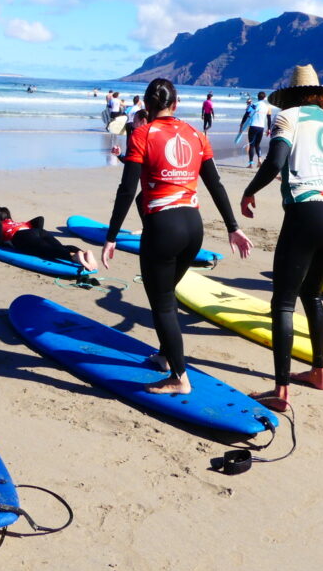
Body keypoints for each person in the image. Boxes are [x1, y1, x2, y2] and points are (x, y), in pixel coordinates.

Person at [103, 78, 252, 395]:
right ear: (177, 102)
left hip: (163, 229)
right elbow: (215, 184)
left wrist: (112, 236)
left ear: (146, 104)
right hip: (193, 228)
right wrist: (232, 226)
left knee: (163, 304)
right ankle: (163, 355)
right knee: (166, 294)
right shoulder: (197, 134)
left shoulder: (142, 134)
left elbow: (128, 189)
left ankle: (179, 377)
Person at [240, 64, 323, 412]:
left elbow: (274, 162)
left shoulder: (288, 117)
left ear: (291, 94)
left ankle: (280, 389)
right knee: (312, 296)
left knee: (284, 302)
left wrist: (249, 191)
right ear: (322, 95)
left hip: (305, 213)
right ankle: (318, 372)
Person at [0, 208, 97, 270]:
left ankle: (74, 257)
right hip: (39, 232)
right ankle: (82, 252)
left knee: (48, 251)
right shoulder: (18, 223)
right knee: (58, 247)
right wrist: (38, 237)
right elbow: (40, 219)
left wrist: (1, 243)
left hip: (21, 237)